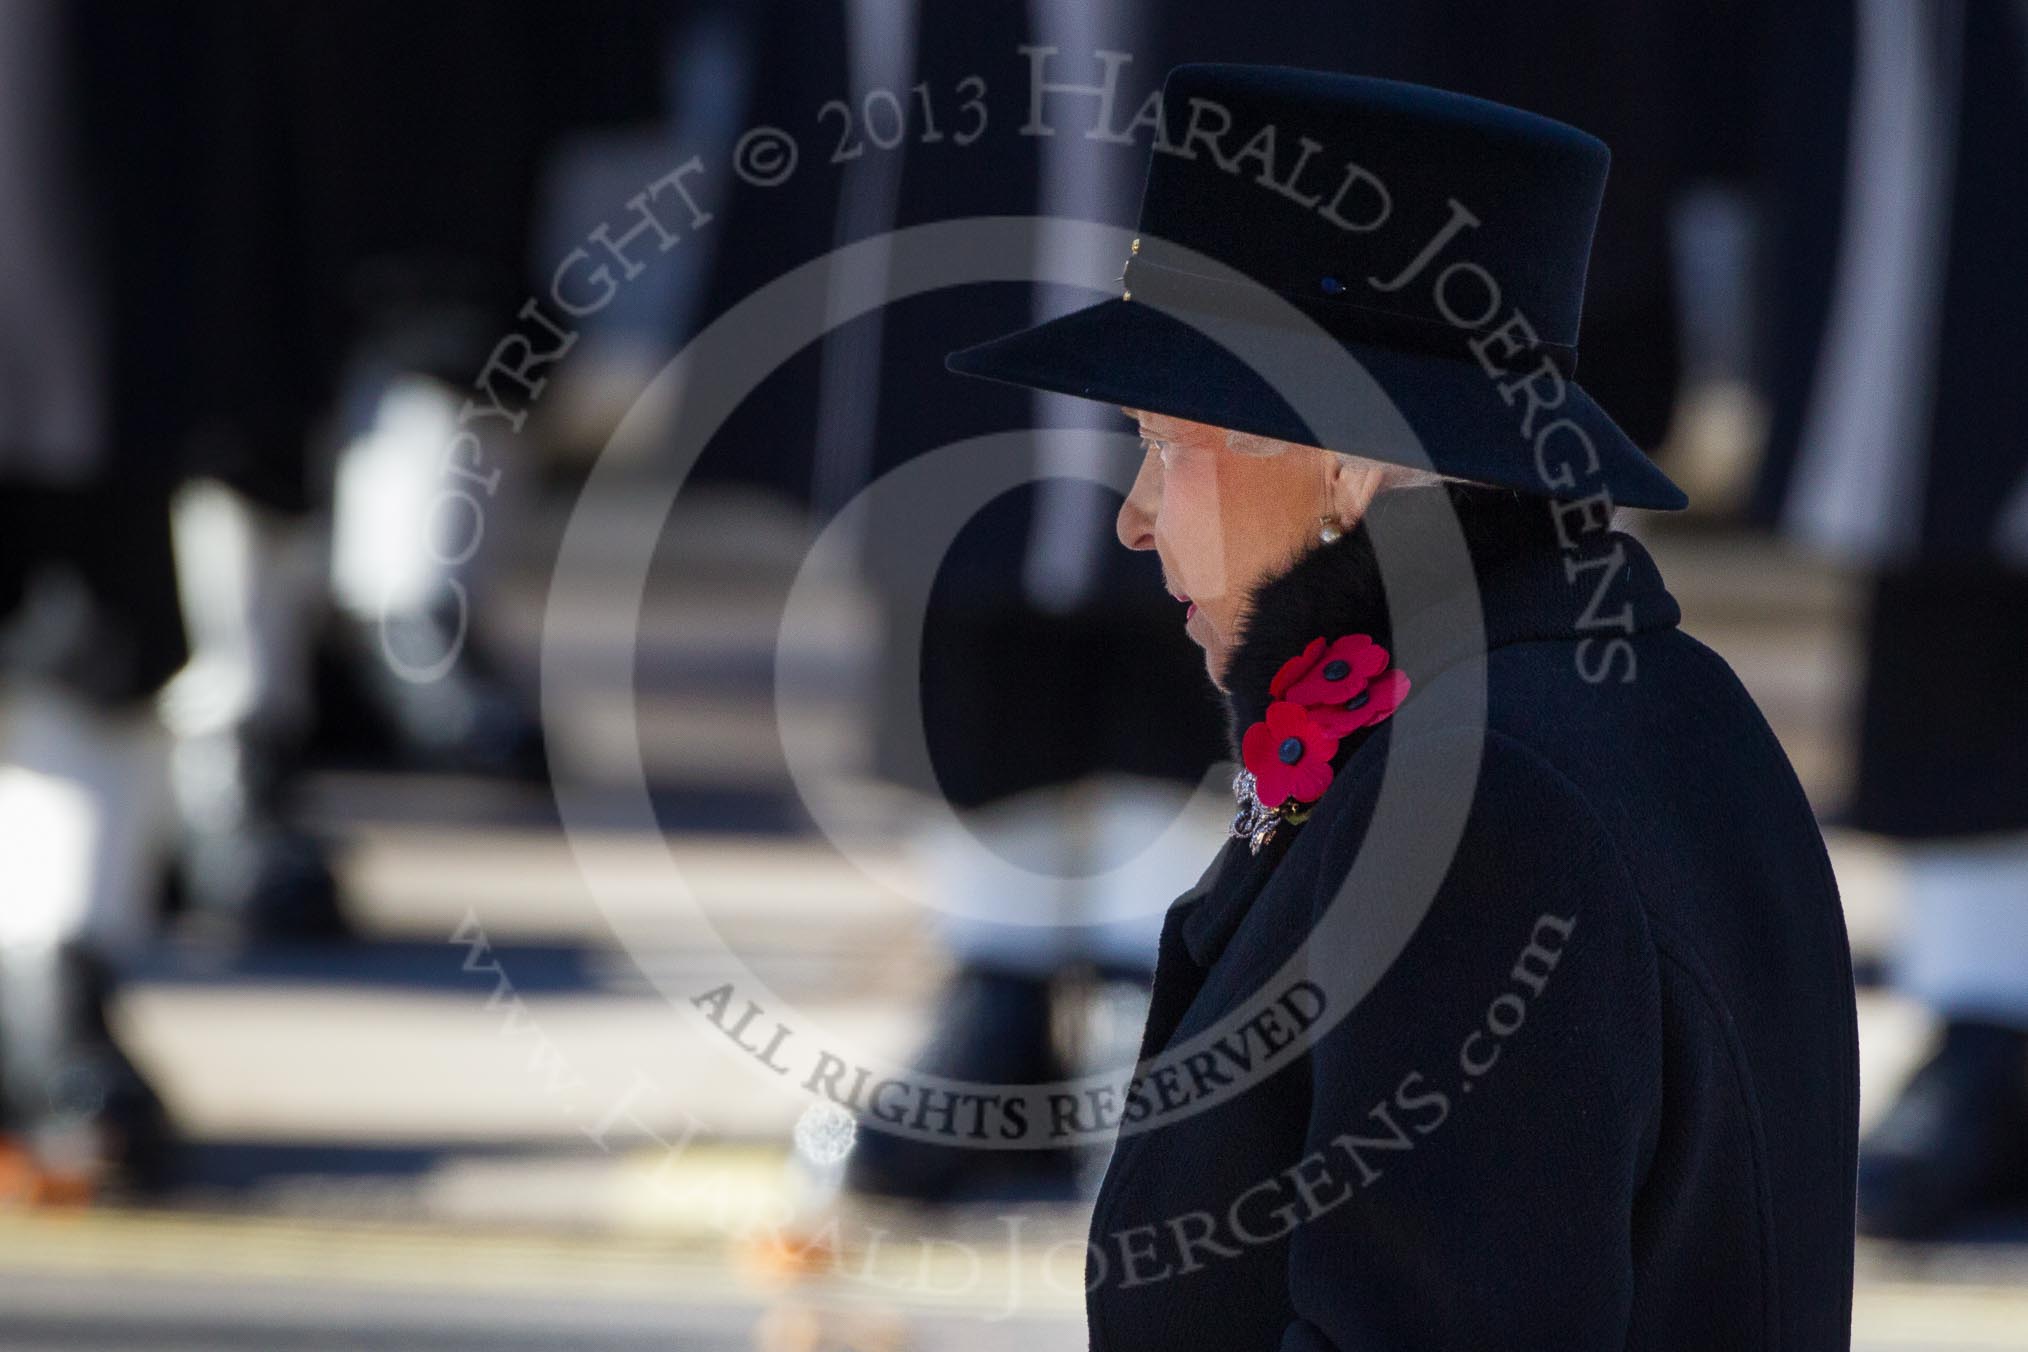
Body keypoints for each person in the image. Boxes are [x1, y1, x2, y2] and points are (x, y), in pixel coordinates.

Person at [944, 66, 1858, 1348]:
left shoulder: (1485, 799)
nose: (1134, 517)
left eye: (1164, 440)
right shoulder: (1628, 702)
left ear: (1346, 464)